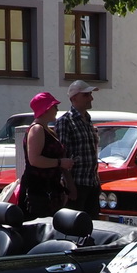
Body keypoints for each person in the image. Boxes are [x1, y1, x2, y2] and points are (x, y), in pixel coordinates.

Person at [19, 92, 71, 217]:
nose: (57, 109)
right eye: (54, 106)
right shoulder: (37, 129)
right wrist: (60, 162)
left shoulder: (49, 130)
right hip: (38, 191)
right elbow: (34, 160)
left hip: (51, 188)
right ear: (46, 109)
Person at [56, 80, 100, 219]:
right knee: (75, 226)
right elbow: (63, 155)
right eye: (86, 95)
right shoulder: (65, 121)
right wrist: (70, 186)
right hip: (77, 183)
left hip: (92, 183)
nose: (91, 98)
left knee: (93, 226)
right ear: (74, 98)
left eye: (90, 94)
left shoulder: (87, 119)